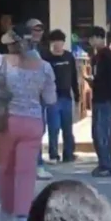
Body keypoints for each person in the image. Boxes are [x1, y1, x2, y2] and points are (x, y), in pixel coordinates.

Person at [0, 36, 57, 221]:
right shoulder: (45, 67)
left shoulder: (0, 62)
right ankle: (22, 219)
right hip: (33, 122)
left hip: (5, 121)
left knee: (5, 169)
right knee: (26, 172)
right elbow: (50, 99)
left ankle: (6, 212)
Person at [43, 29, 80, 163]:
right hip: (52, 97)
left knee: (67, 127)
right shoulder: (46, 58)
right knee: (54, 127)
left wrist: (77, 95)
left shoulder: (69, 57)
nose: (58, 44)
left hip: (66, 96)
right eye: (55, 42)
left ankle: (68, 154)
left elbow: (74, 77)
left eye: (60, 42)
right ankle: (53, 154)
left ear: (63, 43)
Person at [24, 18, 54, 181]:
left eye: (40, 30)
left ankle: (36, 164)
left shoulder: (43, 50)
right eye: (34, 30)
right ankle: (34, 165)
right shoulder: (22, 49)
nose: (38, 33)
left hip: (39, 96)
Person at [90, 26, 111, 177]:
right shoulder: (96, 57)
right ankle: (103, 162)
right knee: (97, 132)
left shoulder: (107, 56)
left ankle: (107, 164)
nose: (91, 41)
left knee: (103, 132)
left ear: (101, 38)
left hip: (105, 98)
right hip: (97, 97)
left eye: (94, 38)